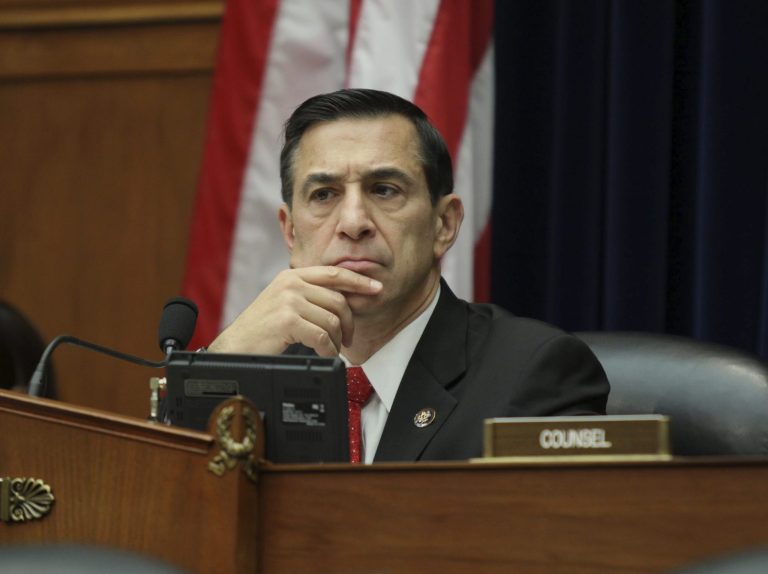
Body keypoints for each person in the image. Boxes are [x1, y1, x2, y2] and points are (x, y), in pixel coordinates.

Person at [208, 89, 609, 462]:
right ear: (291, 232)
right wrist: (221, 363)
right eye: (324, 195)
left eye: (384, 190)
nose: (353, 222)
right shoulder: (255, 375)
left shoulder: (533, 374)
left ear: (444, 225)